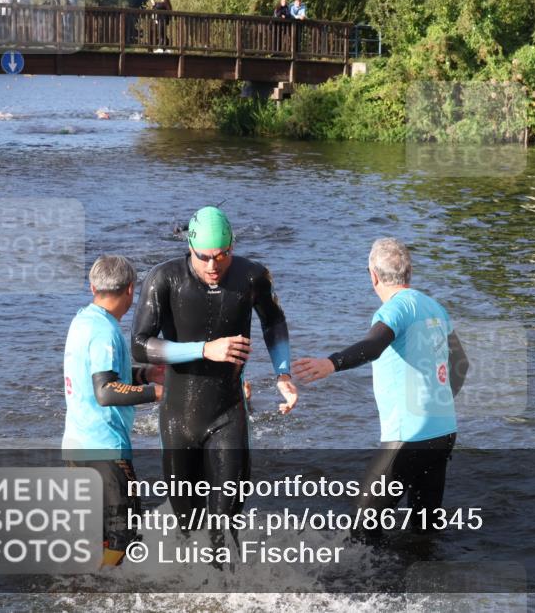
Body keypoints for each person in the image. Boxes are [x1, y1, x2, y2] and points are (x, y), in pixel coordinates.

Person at [132, 206, 297, 551]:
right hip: (179, 419)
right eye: (203, 257)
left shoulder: (252, 277)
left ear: (232, 247)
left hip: (228, 414)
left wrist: (282, 372)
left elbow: (274, 322)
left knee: (225, 525)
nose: (212, 266)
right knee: (188, 526)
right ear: (189, 247)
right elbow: (140, 345)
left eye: (221, 256)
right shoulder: (164, 278)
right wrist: (204, 349)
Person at [293, 238, 469, 539]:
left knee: (362, 532)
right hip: (443, 432)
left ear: (372, 275)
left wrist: (332, 363)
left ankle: (371, 585)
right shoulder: (435, 307)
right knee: (424, 531)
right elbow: (461, 364)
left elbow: (374, 345)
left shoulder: (395, 309)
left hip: (409, 436)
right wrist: (436, 403)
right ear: (409, 272)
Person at [63, 255, 165, 567]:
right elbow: (106, 391)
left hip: (76, 447)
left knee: (97, 535)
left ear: (93, 286)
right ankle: (100, 592)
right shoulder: (105, 332)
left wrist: (146, 374)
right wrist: (158, 392)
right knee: (126, 535)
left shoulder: (83, 320)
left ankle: (83, 588)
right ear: (131, 290)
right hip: (105, 449)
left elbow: (101, 375)